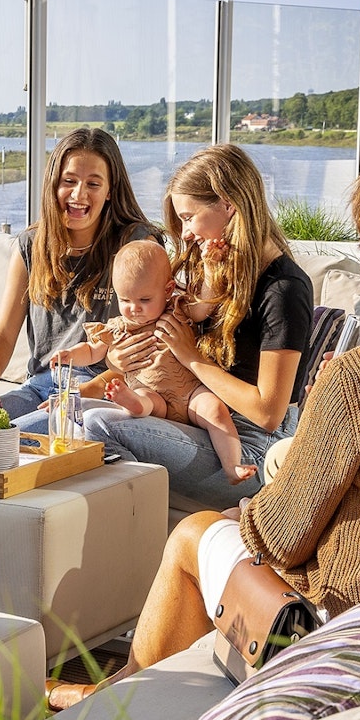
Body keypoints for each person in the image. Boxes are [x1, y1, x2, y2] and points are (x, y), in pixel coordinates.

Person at [49, 150, 360, 710]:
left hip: (340, 633)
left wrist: (246, 508)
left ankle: (111, 702)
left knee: (196, 533)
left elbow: (283, 536)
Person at [82, 144, 311, 509]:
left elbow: (269, 413)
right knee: (68, 412)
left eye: (188, 217)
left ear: (228, 205)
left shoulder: (284, 289)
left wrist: (191, 357)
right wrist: (117, 360)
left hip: (252, 448)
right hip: (198, 419)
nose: (185, 233)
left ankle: (132, 533)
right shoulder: (217, 268)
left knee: (99, 424)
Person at [0, 127, 159, 432]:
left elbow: (146, 351)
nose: (78, 195)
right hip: (38, 385)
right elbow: (4, 334)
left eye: (93, 184)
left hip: (104, 390)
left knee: (8, 438)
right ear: (54, 184)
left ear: (110, 190)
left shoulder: (136, 244)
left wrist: (91, 389)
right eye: (69, 181)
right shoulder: (31, 245)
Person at [54, 241, 254, 485]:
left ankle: (233, 466)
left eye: (145, 299)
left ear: (168, 289)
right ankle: (131, 402)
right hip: (151, 392)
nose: (134, 309)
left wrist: (211, 269)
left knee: (215, 409)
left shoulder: (177, 310)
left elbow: (204, 307)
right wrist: (69, 356)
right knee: (145, 401)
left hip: (190, 392)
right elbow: (92, 350)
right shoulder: (119, 327)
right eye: (125, 300)